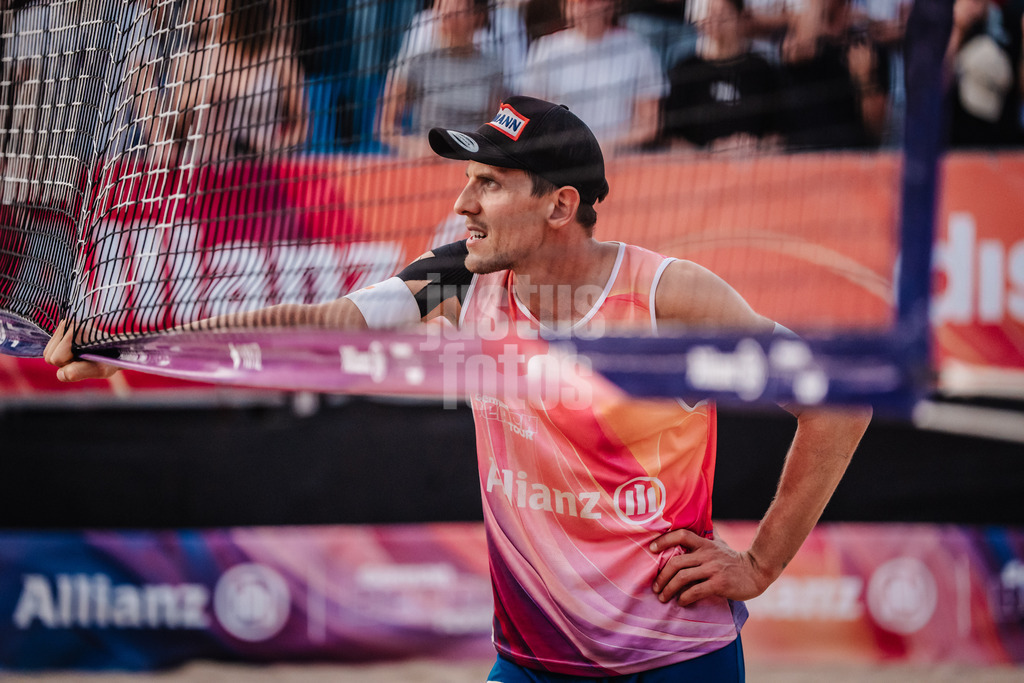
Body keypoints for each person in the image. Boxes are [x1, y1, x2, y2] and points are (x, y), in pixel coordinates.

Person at [46, 95, 872, 680]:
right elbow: (322, 321)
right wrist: (135, 346)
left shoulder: (671, 298)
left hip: (674, 659)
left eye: (488, 182)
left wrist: (760, 563)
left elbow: (839, 396)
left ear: (559, 205)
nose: (461, 201)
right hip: (533, 660)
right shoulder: (457, 280)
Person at [517, 0, 668, 151]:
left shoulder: (637, 49)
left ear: (609, 4)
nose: (582, 5)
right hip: (560, 161)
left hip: (621, 162)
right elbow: (532, 118)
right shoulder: (545, 50)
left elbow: (649, 126)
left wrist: (605, 146)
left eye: (590, 2)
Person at [378, 0, 508, 158]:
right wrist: (418, 147)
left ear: (478, 17)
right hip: (426, 164)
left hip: (469, 164)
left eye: (458, 8)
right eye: (442, 6)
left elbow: (496, 132)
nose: (447, 13)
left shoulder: (493, 68)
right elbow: (386, 128)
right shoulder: (416, 61)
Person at [663, 0, 785, 153]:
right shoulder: (686, 70)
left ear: (740, 18)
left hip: (753, 168)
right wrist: (709, 153)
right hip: (700, 170)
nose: (714, 20)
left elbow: (777, 135)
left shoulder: (761, 69)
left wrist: (756, 148)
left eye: (722, 14)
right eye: (708, 14)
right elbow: (672, 140)